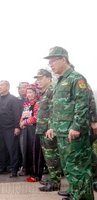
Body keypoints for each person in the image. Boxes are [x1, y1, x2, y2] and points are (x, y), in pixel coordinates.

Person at [45, 46, 93, 200]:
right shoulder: (60, 81)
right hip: (62, 132)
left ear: (63, 59)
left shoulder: (76, 78)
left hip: (73, 133)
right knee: (69, 167)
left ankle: (83, 197)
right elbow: (56, 107)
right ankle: (76, 194)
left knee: (79, 168)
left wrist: (77, 126)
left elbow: (82, 104)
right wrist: (53, 126)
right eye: (49, 62)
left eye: (53, 61)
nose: (50, 65)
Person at [34, 69, 62, 192]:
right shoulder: (44, 93)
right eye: (37, 79)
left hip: (48, 130)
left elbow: (54, 111)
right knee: (48, 157)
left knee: (52, 157)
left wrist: (51, 127)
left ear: (49, 79)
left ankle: (55, 182)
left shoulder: (51, 91)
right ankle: (52, 178)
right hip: (42, 129)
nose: (38, 81)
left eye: (41, 78)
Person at [0, 80, 22, 178]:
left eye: (1, 85)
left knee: (12, 149)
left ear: (7, 87)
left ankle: (14, 169)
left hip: (10, 129)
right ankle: (3, 167)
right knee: (0, 149)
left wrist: (17, 127)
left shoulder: (13, 99)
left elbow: (17, 114)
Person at [19, 83, 45, 182]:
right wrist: (21, 122)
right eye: (27, 92)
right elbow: (23, 115)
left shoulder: (38, 103)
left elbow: (36, 117)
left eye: (31, 92)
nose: (29, 95)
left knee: (35, 152)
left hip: (35, 130)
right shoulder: (27, 103)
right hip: (27, 130)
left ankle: (37, 174)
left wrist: (25, 122)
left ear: (36, 93)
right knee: (28, 151)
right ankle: (30, 171)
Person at [16, 81, 29, 176]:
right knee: (23, 148)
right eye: (20, 88)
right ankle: (24, 167)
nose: (21, 89)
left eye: (24, 87)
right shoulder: (16, 100)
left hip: (33, 126)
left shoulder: (34, 99)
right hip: (21, 127)